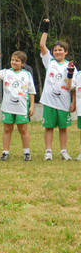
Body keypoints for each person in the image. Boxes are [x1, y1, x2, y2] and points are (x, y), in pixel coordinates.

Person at [39, 19, 76, 161]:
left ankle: (63, 151)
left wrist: (71, 74)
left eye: (60, 50)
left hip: (64, 102)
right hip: (49, 101)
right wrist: (45, 29)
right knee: (48, 127)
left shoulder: (70, 65)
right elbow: (42, 45)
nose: (57, 52)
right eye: (55, 50)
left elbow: (70, 86)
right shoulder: (50, 62)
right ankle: (48, 151)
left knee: (63, 128)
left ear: (65, 52)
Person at [0, 50, 36, 161]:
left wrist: (32, 106)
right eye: (12, 60)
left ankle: (27, 153)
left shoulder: (27, 75)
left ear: (22, 63)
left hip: (21, 107)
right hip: (8, 107)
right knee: (7, 130)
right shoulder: (6, 72)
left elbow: (31, 91)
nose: (14, 62)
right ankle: (5, 153)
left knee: (23, 130)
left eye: (17, 60)